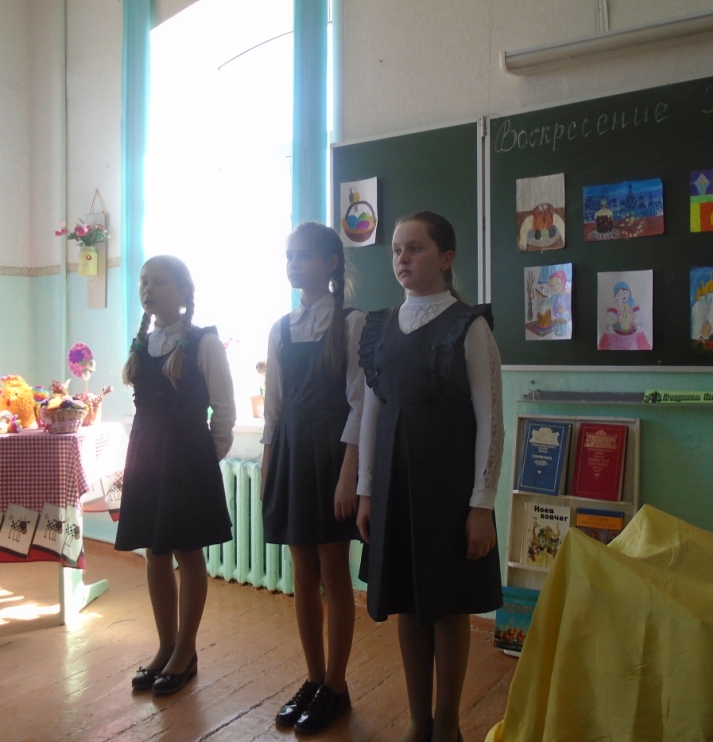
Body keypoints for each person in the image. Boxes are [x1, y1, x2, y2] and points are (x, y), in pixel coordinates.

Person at [356, 211, 504, 742]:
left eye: (414, 248)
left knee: (446, 606)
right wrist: (366, 490)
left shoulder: (470, 325)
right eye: (397, 250)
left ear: (446, 258)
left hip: (449, 488)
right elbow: (372, 412)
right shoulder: (380, 327)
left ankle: (447, 724)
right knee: (406, 603)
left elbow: (491, 419)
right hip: (395, 485)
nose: (402, 258)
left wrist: (481, 504)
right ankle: (419, 721)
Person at [261, 221, 365, 734]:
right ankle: (314, 677)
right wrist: (268, 469)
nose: (293, 264)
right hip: (292, 453)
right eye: (289, 256)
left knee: (332, 570)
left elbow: (360, 403)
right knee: (301, 569)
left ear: (330, 263)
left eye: (303, 255)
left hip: (332, 455)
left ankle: (337, 686)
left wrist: (349, 474)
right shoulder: (281, 328)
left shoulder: (350, 323)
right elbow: (274, 409)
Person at [115, 255, 236, 696]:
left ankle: (186, 649)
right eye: (144, 282)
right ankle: (165, 646)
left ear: (183, 291)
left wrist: (202, 460)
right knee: (155, 552)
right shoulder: (143, 344)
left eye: (160, 282)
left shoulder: (204, 342)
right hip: (147, 458)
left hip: (187, 461)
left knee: (188, 553)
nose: (148, 289)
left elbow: (224, 412)